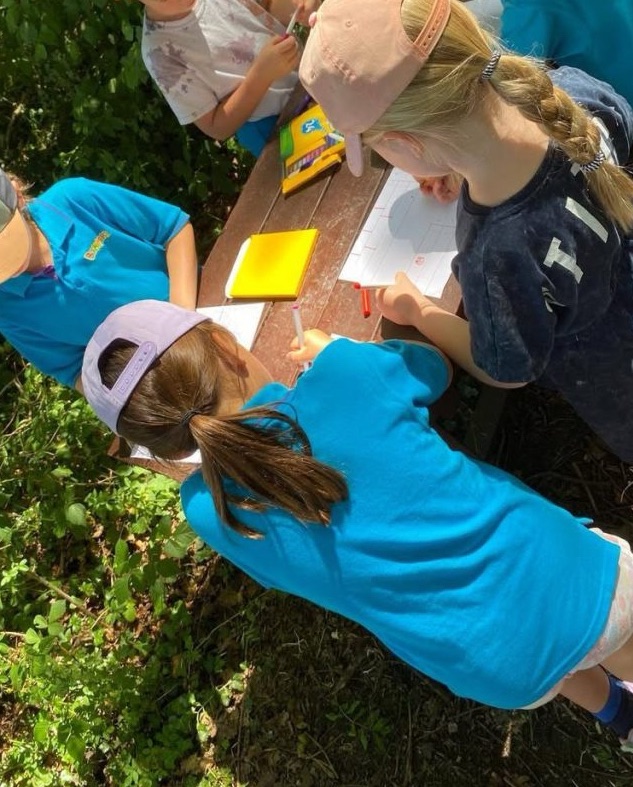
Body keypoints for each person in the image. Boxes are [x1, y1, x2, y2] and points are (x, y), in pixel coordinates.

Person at [82, 298, 633, 749]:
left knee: (553, 654)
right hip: (577, 583)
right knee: (597, 633)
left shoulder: (207, 511)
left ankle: (616, 711)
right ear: (227, 346)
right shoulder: (344, 375)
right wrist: (336, 351)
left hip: (495, 668)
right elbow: (432, 369)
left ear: (163, 447)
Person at [299, 0, 633, 463]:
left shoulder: (496, 252)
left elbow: (507, 368)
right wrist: (460, 163)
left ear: (404, 144)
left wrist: (418, 311)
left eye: (378, 150)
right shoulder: (568, 92)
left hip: (615, 371)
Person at [0, 168, 198, 389]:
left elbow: (173, 228)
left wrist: (184, 316)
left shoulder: (72, 198)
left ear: (17, 195)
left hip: (199, 303)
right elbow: (74, 370)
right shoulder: (6, 309)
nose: (8, 264)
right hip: (159, 375)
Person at [139, 0, 311, 157]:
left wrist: (297, 7)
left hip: (309, 79)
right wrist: (261, 75)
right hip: (270, 125)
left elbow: (267, 6)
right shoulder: (160, 54)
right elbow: (216, 126)